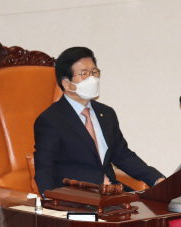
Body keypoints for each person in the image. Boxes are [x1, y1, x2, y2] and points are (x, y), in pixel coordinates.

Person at [33, 47, 164, 196]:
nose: (92, 78)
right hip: (77, 197)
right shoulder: (50, 120)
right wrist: (50, 201)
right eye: (84, 74)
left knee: (154, 208)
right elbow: (45, 167)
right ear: (67, 84)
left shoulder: (107, 114)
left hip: (112, 193)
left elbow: (123, 155)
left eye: (94, 72)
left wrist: (156, 179)